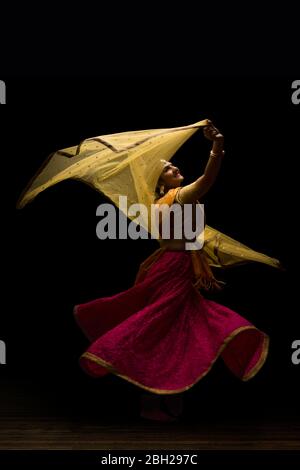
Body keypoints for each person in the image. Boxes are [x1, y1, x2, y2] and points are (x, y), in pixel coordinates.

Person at [74, 121, 273, 423]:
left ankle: (169, 394)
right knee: (164, 328)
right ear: (161, 182)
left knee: (175, 329)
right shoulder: (178, 197)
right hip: (175, 267)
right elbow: (207, 179)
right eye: (167, 168)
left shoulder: (155, 204)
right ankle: (152, 399)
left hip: (167, 265)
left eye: (171, 164)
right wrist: (217, 144)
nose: (173, 167)